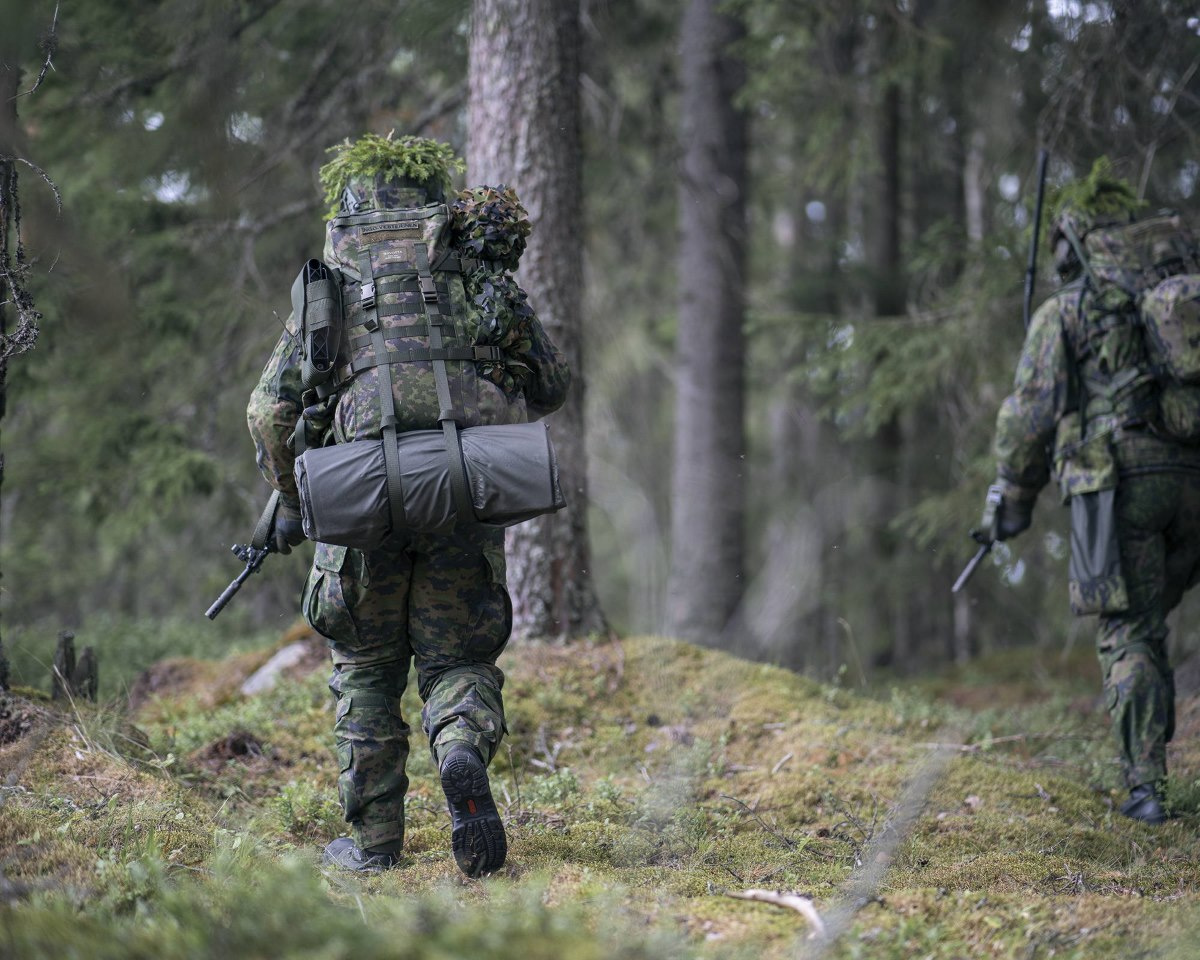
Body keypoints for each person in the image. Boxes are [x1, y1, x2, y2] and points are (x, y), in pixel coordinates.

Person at [246, 134, 570, 874]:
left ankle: (372, 847)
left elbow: (268, 414)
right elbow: (551, 387)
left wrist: (291, 498)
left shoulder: (331, 288)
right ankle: (459, 750)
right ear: (433, 202)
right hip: (464, 496)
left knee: (365, 667)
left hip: (359, 508)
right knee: (457, 657)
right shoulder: (474, 277)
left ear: (350, 207)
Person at [985, 158, 1200, 825]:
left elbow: (1028, 418)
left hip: (1118, 488)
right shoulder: (1172, 303)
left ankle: (1145, 789)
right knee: (1152, 622)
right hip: (1194, 475)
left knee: (1130, 630)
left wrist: (1011, 503)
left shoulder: (1067, 312)